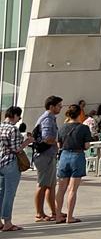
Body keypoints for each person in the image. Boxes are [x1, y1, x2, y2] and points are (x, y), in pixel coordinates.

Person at [55, 104, 91, 224]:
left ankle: (58, 215)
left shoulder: (62, 127)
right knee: (72, 189)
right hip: (77, 156)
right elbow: (86, 146)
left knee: (61, 189)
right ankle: (70, 216)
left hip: (64, 156)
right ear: (79, 114)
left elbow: (59, 145)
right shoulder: (84, 128)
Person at [0, 106, 34, 231]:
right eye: (19, 116)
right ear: (14, 115)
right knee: (9, 193)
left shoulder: (1, 126)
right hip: (11, 163)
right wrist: (28, 141)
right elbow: (16, 149)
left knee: (1, 192)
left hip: (1, 162)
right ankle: (7, 221)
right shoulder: (13, 129)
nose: (19, 119)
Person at [33, 95, 62, 223]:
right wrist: (56, 143)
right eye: (59, 106)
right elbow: (46, 138)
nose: (60, 108)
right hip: (45, 155)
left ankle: (54, 211)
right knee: (43, 185)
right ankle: (39, 213)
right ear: (52, 106)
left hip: (48, 155)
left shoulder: (49, 118)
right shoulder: (48, 119)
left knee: (50, 185)